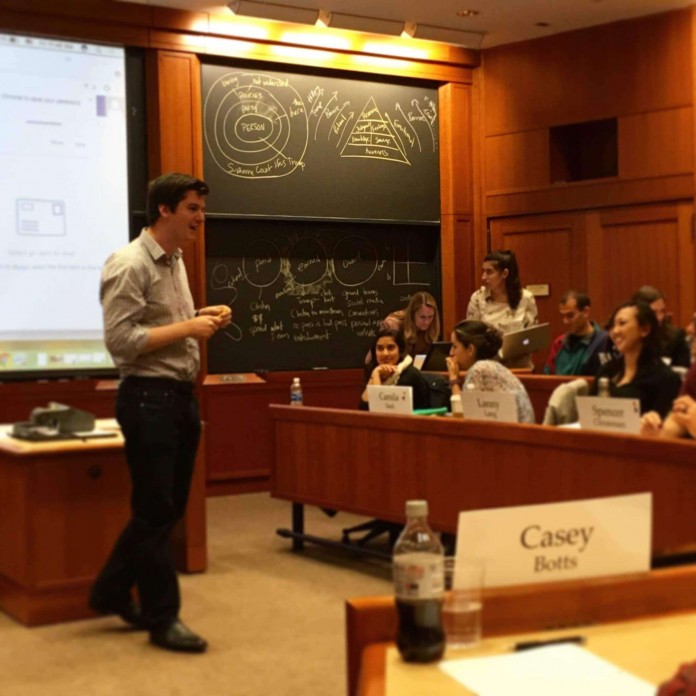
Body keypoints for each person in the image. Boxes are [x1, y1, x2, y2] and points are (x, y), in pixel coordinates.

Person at [89, 173, 231, 653]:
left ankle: (110, 589)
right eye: (192, 208)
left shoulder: (175, 262)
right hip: (148, 399)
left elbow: (161, 327)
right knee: (154, 512)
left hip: (179, 397)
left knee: (165, 510)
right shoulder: (129, 264)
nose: (201, 218)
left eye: (202, 209)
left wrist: (199, 318)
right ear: (164, 210)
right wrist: (188, 328)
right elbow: (121, 341)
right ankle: (162, 617)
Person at [589, 301, 681, 417]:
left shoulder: (666, 378)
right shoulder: (606, 371)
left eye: (622, 323)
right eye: (612, 326)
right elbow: (588, 414)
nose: (615, 331)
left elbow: (666, 424)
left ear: (645, 330)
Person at [446, 319, 535, 423]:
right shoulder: (493, 367)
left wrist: (453, 379)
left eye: (455, 346)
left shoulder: (480, 370)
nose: (451, 352)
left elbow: (463, 414)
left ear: (470, 349)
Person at [466, 250, 538, 368]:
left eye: (489, 272)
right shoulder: (478, 298)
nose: (483, 277)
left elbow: (532, 340)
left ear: (504, 273)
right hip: (488, 366)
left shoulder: (526, 298)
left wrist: (519, 345)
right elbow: (471, 336)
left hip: (519, 367)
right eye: (483, 271)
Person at [544, 290, 612, 375]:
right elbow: (548, 375)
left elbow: (609, 377)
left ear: (585, 312)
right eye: (562, 316)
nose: (565, 321)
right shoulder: (559, 343)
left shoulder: (604, 342)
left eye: (570, 315)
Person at [360, 327, 429, 410]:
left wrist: (376, 373)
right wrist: (376, 374)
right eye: (380, 348)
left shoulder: (411, 375)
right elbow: (364, 409)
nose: (385, 354)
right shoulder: (373, 371)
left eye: (390, 348)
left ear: (400, 350)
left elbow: (379, 408)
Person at [370, 291, 441, 360]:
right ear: (412, 314)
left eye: (430, 317)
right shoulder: (392, 325)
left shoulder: (430, 330)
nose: (426, 322)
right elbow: (376, 357)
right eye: (422, 317)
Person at [631, 285, 690, 368]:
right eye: (654, 312)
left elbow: (683, 371)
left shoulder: (675, 338)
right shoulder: (629, 337)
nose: (659, 318)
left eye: (662, 311)